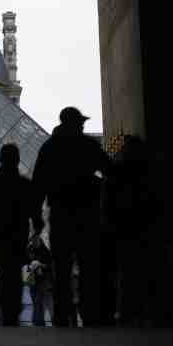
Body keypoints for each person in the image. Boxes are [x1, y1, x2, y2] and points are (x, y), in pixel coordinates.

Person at [31, 107, 110, 327]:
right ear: (73, 123)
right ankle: (90, 312)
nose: (83, 126)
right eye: (80, 123)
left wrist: (36, 217)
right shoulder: (88, 145)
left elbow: (38, 185)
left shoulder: (49, 148)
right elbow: (110, 170)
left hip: (61, 214)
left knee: (62, 269)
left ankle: (62, 314)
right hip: (87, 213)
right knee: (88, 266)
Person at [0, 143, 42, 326]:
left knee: (4, 274)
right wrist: (37, 226)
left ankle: (6, 311)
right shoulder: (23, 184)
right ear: (17, 160)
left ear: (0, 159)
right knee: (14, 275)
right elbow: (35, 210)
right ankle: (12, 311)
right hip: (18, 238)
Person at [25, 235, 54, 326]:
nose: (34, 242)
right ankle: (39, 324)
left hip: (43, 283)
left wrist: (40, 265)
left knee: (41, 305)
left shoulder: (44, 252)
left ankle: (39, 324)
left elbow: (50, 265)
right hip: (36, 282)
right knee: (38, 305)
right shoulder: (30, 251)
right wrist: (31, 267)